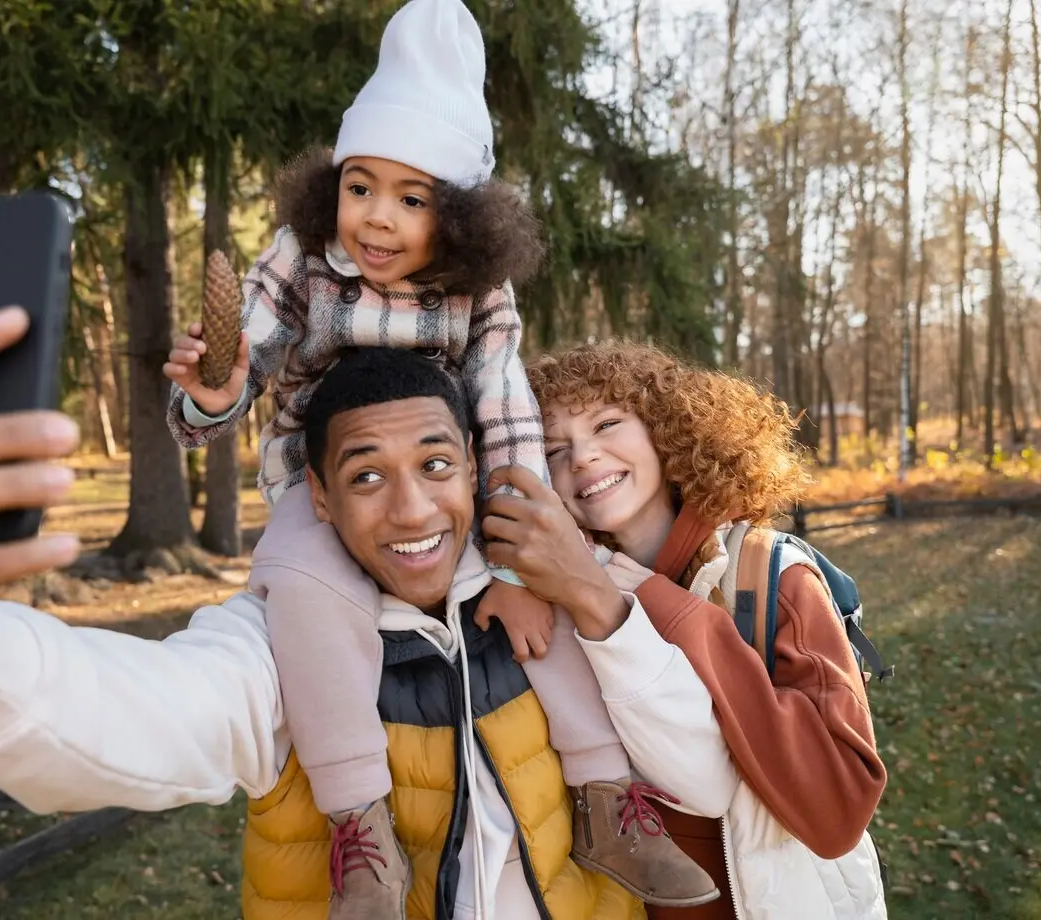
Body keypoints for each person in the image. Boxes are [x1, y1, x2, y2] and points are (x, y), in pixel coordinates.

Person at [0, 325, 737, 920]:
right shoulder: (285, 640)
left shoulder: (567, 592)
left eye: (436, 466)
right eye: (368, 476)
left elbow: (708, 776)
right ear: (322, 502)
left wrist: (594, 603)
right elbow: (157, 713)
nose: (413, 511)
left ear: (475, 465)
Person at [160, 0, 713, 912]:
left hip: (448, 482)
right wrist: (212, 394)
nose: (376, 220)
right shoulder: (301, 258)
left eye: (411, 199)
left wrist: (516, 556)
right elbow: (241, 359)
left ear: (454, 217)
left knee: (550, 604)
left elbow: (506, 414)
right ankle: (362, 828)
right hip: (324, 485)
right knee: (304, 597)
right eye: (360, 186)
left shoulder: (478, 294)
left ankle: (608, 797)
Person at [475, 340, 890, 920]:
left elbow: (838, 812)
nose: (584, 457)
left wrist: (640, 598)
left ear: (666, 431)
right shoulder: (546, 601)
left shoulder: (773, 579)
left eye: (607, 423)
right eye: (555, 448)